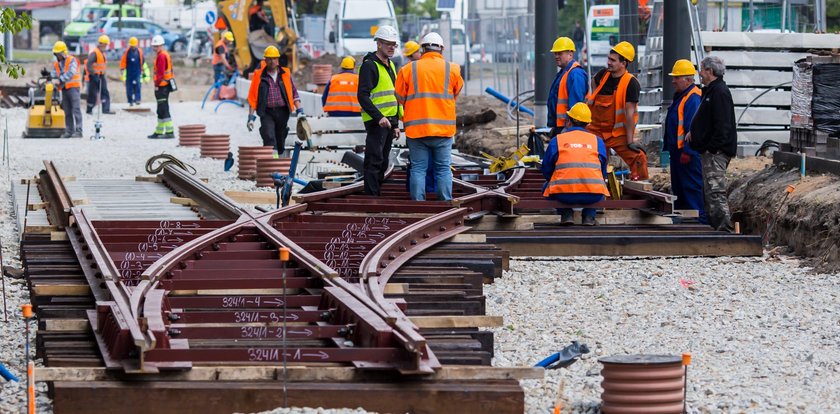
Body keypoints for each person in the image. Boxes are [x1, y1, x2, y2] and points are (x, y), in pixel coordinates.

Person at [395, 32, 463, 201]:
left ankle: (418, 203)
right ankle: (445, 203)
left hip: (416, 130)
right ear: (441, 49)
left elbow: (399, 96)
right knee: (443, 169)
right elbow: (456, 92)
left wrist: (413, 104)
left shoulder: (408, 69)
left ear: (422, 49)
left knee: (418, 168)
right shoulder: (452, 69)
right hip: (443, 130)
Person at [586, 41, 648, 180]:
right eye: (609, 58)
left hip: (616, 134)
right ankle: (595, 185)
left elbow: (630, 114)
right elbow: (593, 82)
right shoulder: (603, 75)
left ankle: (641, 185)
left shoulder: (631, 83)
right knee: (591, 159)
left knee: (639, 157)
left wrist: (630, 141)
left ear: (623, 63)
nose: (608, 62)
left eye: (612, 60)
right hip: (595, 130)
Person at [688, 56, 737, 232]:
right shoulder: (711, 91)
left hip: (716, 152)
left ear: (710, 71)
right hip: (710, 151)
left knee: (715, 191)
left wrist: (712, 147)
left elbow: (723, 124)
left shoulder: (719, 92)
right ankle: (714, 226)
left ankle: (724, 229)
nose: (699, 73)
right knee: (709, 191)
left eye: (701, 69)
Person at [542, 103, 609, 226]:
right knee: (601, 186)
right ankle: (589, 216)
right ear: (587, 124)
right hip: (593, 196)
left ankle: (566, 213)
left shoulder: (557, 140)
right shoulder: (597, 141)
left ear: (568, 121)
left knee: (546, 186)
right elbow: (603, 173)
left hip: (563, 195)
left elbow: (546, 170)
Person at [358, 25, 402, 196]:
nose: (391, 47)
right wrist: (379, 117)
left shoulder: (390, 64)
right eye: (388, 44)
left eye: (394, 44)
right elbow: (362, 96)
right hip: (377, 122)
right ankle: (371, 197)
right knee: (374, 160)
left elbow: (394, 97)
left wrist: (396, 123)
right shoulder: (370, 65)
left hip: (389, 121)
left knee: (383, 161)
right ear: (378, 44)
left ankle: (376, 193)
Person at [663, 59, 706, 223]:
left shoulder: (693, 98)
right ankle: (685, 222)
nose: (673, 81)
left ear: (688, 79)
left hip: (686, 155)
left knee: (691, 188)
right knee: (680, 190)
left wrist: (688, 151)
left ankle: (699, 223)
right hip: (678, 153)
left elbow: (693, 128)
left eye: (676, 78)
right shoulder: (682, 96)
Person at [247, 45, 304, 157]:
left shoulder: (285, 74)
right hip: (266, 111)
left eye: (274, 58)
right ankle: (273, 163)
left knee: (280, 137)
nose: (272, 61)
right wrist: (251, 118)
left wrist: (300, 112)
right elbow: (253, 98)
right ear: (265, 60)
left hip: (283, 112)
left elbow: (294, 93)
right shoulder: (259, 76)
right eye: (269, 59)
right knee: (268, 135)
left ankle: (279, 158)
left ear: (278, 60)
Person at [547, 36, 588, 136]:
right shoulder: (564, 73)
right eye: (555, 53)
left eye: (560, 53)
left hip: (569, 127)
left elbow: (576, 105)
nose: (556, 56)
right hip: (562, 126)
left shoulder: (575, 74)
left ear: (570, 54)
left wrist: (569, 128)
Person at [50, 41, 83, 138]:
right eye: (56, 54)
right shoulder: (57, 63)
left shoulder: (72, 60)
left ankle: (79, 131)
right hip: (64, 88)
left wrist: (59, 79)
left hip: (73, 87)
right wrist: (49, 76)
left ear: (63, 52)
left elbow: (71, 72)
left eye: (58, 53)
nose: (57, 55)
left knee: (76, 109)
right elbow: (54, 73)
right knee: (67, 110)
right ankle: (69, 131)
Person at [148, 35, 175, 139]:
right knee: (160, 109)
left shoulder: (161, 56)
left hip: (162, 86)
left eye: (156, 46)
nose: (155, 48)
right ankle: (159, 131)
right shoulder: (163, 54)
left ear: (161, 46)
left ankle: (169, 132)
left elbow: (160, 73)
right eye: (154, 46)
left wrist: (156, 85)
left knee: (163, 108)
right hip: (164, 85)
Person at [86, 35, 114, 115]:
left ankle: (106, 109)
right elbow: (89, 64)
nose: (106, 46)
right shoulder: (94, 53)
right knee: (93, 93)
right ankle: (89, 109)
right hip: (94, 76)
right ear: (101, 44)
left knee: (104, 92)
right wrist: (93, 73)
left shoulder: (102, 53)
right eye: (105, 44)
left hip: (101, 76)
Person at [120, 37, 150, 106]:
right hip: (129, 73)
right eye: (131, 46)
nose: (133, 47)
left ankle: (137, 100)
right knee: (129, 88)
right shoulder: (127, 52)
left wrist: (145, 77)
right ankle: (130, 101)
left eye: (134, 46)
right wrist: (122, 74)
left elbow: (143, 63)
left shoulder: (140, 52)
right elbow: (123, 63)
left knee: (138, 86)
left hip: (137, 72)